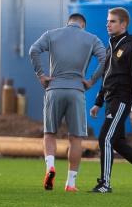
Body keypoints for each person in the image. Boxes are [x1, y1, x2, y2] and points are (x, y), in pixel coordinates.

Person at [29, 12, 107, 192]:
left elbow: (33, 50)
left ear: (68, 23)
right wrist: (92, 80)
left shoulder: (51, 34)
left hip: (54, 89)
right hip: (77, 90)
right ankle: (70, 183)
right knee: (76, 138)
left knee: (50, 133)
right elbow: (105, 59)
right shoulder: (92, 39)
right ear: (83, 25)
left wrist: (41, 75)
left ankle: (50, 167)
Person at [89, 7, 132, 193]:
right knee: (118, 142)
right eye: (107, 21)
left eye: (112, 21)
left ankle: (105, 183)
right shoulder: (111, 46)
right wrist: (98, 101)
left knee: (105, 137)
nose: (108, 24)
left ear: (123, 24)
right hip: (110, 99)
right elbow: (107, 76)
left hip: (122, 100)